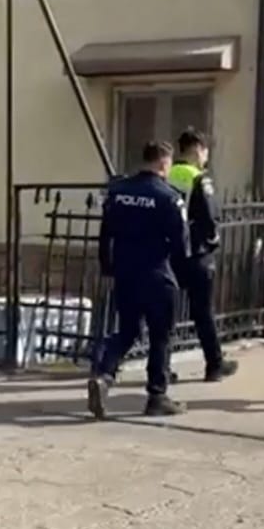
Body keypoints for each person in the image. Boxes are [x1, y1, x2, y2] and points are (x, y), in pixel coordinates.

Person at [87, 141, 191, 419]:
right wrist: (183, 275)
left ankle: (104, 375)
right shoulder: (169, 197)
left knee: (128, 330)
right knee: (161, 335)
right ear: (164, 163)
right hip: (157, 275)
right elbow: (181, 243)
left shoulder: (118, 192)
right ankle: (157, 395)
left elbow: (105, 234)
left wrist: (108, 267)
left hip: (126, 273)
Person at [167, 129, 239, 382]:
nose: (206, 156)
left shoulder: (168, 174)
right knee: (203, 312)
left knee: (166, 313)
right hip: (197, 254)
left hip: (171, 253)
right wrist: (213, 240)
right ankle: (214, 364)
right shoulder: (199, 178)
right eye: (206, 151)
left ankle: (162, 367)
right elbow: (210, 217)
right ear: (198, 149)